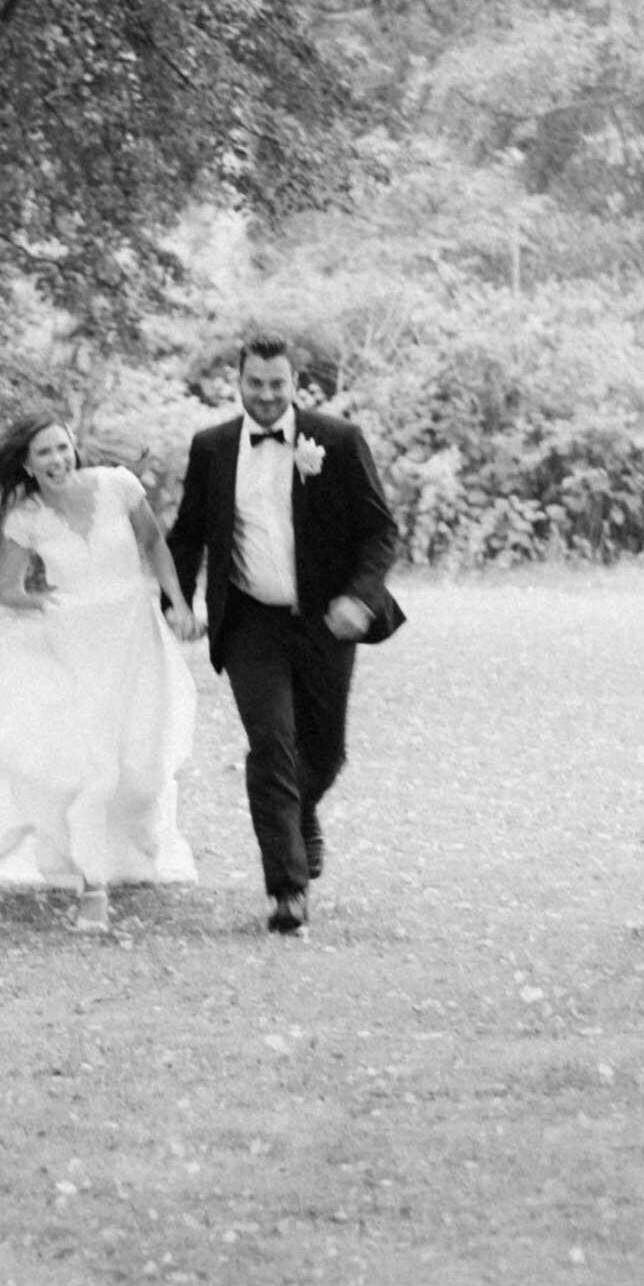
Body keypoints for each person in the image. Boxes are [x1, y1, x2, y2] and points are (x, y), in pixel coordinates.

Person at [0, 412, 200, 933]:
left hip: (136, 637)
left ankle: (130, 849)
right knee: (95, 764)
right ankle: (94, 889)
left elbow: (154, 545)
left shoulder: (118, 485)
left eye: (62, 448)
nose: (56, 459)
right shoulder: (26, 516)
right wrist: (53, 607)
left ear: (75, 448)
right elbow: (7, 590)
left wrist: (177, 603)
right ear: (26, 463)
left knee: (140, 757)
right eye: (43, 452)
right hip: (78, 647)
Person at [168, 333, 404, 936]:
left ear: (295, 384)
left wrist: (359, 598)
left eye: (278, 385)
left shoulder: (339, 442)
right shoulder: (213, 448)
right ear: (238, 382)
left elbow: (381, 534)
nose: (267, 396)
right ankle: (287, 891)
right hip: (251, 622)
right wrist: (175, 602)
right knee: (272, 745)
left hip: (328, 618)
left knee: (325, 752)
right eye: (255, 384)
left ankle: (302, 815)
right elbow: (187, 533)